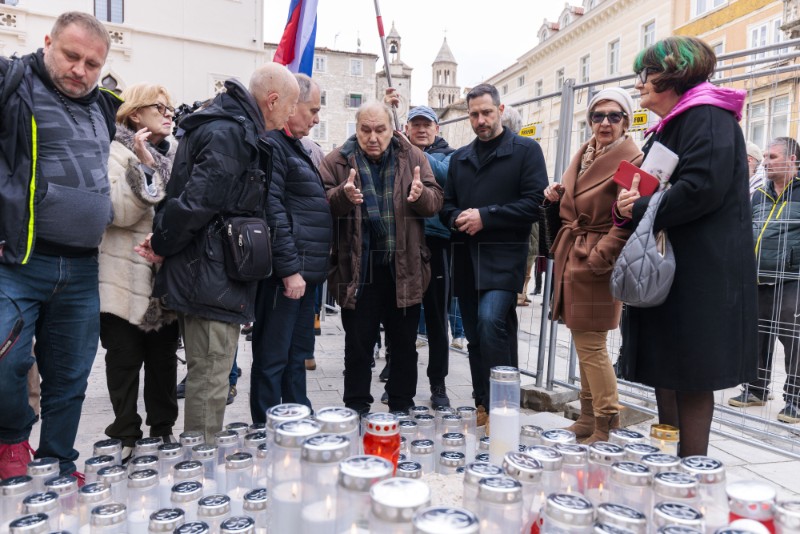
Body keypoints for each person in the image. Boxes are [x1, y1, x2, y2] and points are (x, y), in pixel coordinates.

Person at [136, 63, 300, 442]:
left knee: (208, 375)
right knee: (210, 379)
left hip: (209, 272)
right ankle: (200, 471)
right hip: (209, 276)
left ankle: (200, 461)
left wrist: (164, 241)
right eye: (289, 106)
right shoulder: (231, 132)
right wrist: (162, 243)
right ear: (272, 100)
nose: (291, 114)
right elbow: (197, 201)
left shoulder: (229, 125)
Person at [617, 36, 758, 456]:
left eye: (646, 74)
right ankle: (668, 466)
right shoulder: (677, 122)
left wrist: (640, 205)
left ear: (672, 75)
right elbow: (653, 185)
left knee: (692, 374)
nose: (639, 83)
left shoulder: (708, 118)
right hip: (674, 270)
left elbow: (700, 189)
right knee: (669, 367)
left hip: (700, 275)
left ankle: (691, 473)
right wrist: (629, 203)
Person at [0, 12, 122, 480]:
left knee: (70, 375)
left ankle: (57, 460)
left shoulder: (103, 107)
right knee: (6, 361)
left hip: (81, 267)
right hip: (20, 259)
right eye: (71, 55)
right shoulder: (15, 85)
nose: (81, 70)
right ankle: (13, 438)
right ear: (47, 42)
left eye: (93, 63)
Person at [320, 101, 443, 414]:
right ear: (357, 128)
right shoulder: (336, 161)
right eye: (365, 130)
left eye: (380, 130)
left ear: (392, 129)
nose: (372, 137)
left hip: (404, 267)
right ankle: (357, 407)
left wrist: (421, 196)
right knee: (358, 346)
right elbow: (321, 206)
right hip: (357, 270)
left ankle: (402, 406)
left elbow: (435, 201)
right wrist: (341, 198)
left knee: (404, 346)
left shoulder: (414, 156)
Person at [440, 83, 547, 428]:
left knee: (490, 323)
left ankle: (504, 405)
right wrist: (456, 217)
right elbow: (445, 206)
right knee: (478, 334)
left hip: (504, 257)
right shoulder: (459, 158)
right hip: (467, 258)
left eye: (487, 112)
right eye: (474, 114)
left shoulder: (526, 150)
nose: (481, 120)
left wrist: (486, 216)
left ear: (500, 111)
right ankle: (484, 402)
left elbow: (535, 204)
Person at [544, 87, 643, 443]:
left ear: (626, 121)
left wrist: (601, 257)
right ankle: (587, 417)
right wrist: (556, 196)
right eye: (598, 116)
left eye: (614, 116)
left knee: (592, 344)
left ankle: (606, 420)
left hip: (597, 257)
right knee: (582, 340)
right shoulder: (585, 153)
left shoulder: (632, 160)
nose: (605, 123)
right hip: (574, 251)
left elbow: (628, 220)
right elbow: (576, 197)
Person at [99, 83, 180, 461]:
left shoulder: (177, 155)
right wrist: (143, 168)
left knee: (163, 362)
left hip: (161, 280)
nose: (169, 114)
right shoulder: (114, 153)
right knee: (124, 360)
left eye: (171, 108)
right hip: (121, 278)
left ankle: (162, 430)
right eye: (159, 107)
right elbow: (119, 212)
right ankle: (126, 432)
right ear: (135, 114)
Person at [250, 73, 331, 423]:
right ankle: (266, 427)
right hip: (288, 275)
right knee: (273, 356)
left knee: (296, 354)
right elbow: (273, 210)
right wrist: (289, 270)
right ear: (290, 103)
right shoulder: (272, 145)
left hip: (305, 274)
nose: (316, 119)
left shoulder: (294, 147)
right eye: (311, 110)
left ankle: (297, 418)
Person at [385, 90, 457, 407]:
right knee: (403, 317)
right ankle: (400, 381)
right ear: (409, 127)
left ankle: (438, 384)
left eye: (427, 124)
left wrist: (411, 151)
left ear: (437, 129)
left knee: (438, 320)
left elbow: (443, 175)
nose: (422, 129)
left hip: (437, 245)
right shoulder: (397, 154)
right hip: (403, 245)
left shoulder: (449, 155)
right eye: (415, 124)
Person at [729, 137, 800, 424]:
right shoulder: (760, 194)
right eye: (766, 157)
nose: (766, 162)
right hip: (757, 277)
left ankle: (795, 400)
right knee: (756, 336)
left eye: (773, 157)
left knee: (794, 341)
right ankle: (755, 389)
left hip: (792, 279)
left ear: (793, 160)